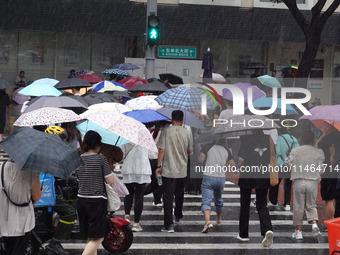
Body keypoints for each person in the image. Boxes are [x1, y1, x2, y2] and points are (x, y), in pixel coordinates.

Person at [76, 131, 115, 255]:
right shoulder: (101, 159)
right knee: (99, 237)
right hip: (97, 200)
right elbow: (110, 180)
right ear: (98, 145)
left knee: (90, 236)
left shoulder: (79, 159)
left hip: (81, 199)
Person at [156, 110, 193, 233]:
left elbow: (161, 150)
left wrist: (158, 165)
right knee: (179, 194)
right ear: (182, 120)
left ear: (172, 119)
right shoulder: (187, 133)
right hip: (182, 169)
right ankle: (178, 215)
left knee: (167, 197)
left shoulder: (166, 132)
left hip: (168, 170)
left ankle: (168, 225)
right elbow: (189, 151)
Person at [43, 125, 79, 255]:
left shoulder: (50, 151)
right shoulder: (49, 154)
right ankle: (55, 242)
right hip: (47, 192)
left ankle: (55, 230)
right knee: (69, 212)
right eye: (61, 139)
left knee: (70, 197)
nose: (63, 142)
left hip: (53, 189)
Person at [237, 130, 274, 247]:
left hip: (247, 175)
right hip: (263, 175)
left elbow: (241, 160)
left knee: (245, 204)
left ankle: (243, 234)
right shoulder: (269, 139)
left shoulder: (245, 139)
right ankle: (267, 229)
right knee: (262, 204)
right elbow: (272, 157)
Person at [287, 130, 325, 239]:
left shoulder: (295, 151)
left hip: (299, 181)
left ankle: (298, 232)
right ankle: (314, 224)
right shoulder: (318, 152)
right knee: (311, 205)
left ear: (302, 139)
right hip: (312, 182)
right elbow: (321, 170)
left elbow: (290, 165)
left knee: (298, 206)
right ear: (313, 140)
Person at [0, 159, 42, 255]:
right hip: (22, 222)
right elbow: (36, 196)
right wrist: (37, 176)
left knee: (6, 249)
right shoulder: (31, 172)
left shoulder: (1, 167)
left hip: (4, 220)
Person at [198, 138, 235, 233]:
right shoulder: (226, 150)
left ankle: (207, 221)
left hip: (208, 177)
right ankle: (218, 219)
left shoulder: (208, 147)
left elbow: (201, 160)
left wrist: (201, 154)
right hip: (221, 178)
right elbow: (233, 165)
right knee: (218, 199)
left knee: (206, 201)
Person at [120, 143, 153, 232]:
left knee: (128, 194)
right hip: (142, 169)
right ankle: (136, 223)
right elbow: (152, 155)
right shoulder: (146, 139)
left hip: (128, 168)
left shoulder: (126, 137)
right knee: (139, 196)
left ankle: (127, 215)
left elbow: (121, 155)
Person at [269, 128, 299, 211]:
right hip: (290, 165)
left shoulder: (279, 139)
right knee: (288, 185)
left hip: (280, 164)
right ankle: (287, 204)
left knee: (275, 183)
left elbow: (277, 152)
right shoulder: (294, 139)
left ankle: (273, 201)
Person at [316, 122, 340, 224]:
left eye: (328, 126)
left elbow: (316, 148)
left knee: (329, 199)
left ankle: (331, 223)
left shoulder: (327, 139)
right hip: (337, 172)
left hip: (328, 171)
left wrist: (322, 136)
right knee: (335, 198)